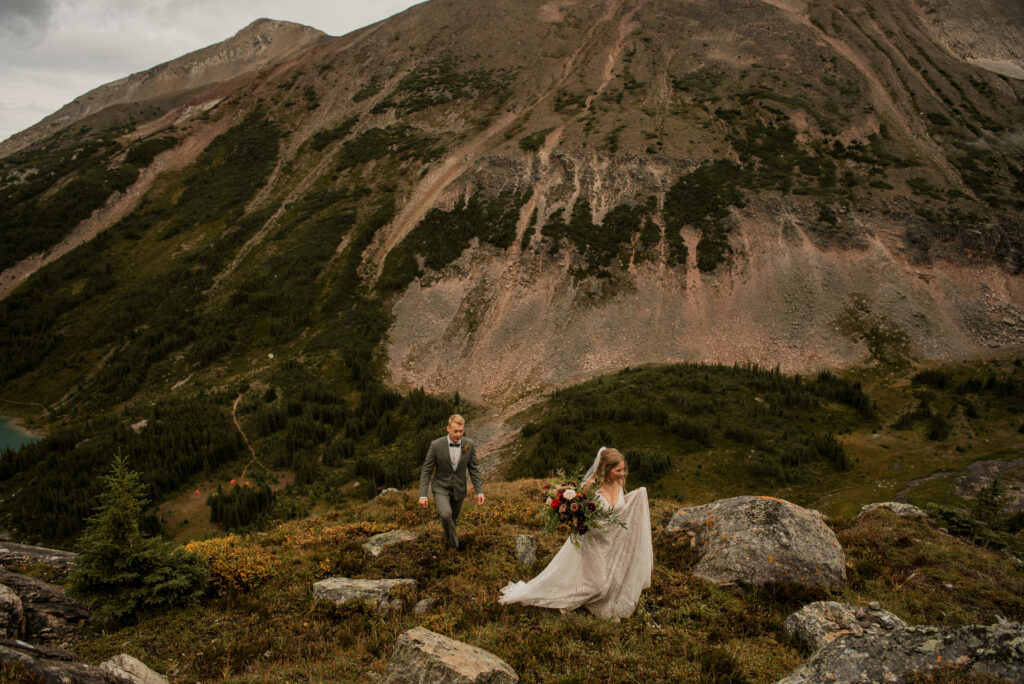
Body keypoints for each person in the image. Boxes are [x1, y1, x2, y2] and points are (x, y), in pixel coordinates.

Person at [498, 447, 652, 619]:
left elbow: (619, 508)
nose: (622, 473)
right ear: (606, 469)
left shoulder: (619, 483)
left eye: (623, 469)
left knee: (612, 579)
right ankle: (569, 600)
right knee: (597, 585)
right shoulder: (590, 487)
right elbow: (582, 514)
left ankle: (601, 604)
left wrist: (636, 497)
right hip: (593, 541)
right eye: (618, 470)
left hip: (613, 539)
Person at [419, 414, 485, 551]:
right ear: (448, 428)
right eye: (455, 431)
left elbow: (474, 469)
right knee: (446, 514)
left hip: (459, 489)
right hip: (440, 487)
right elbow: (426, 470)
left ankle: (446, 541)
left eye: (461, 431)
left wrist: (479, 491)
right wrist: (423, 494)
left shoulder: (469, 445)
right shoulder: (436, 445)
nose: (458, 435)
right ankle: (455, 546)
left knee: (453, 520)